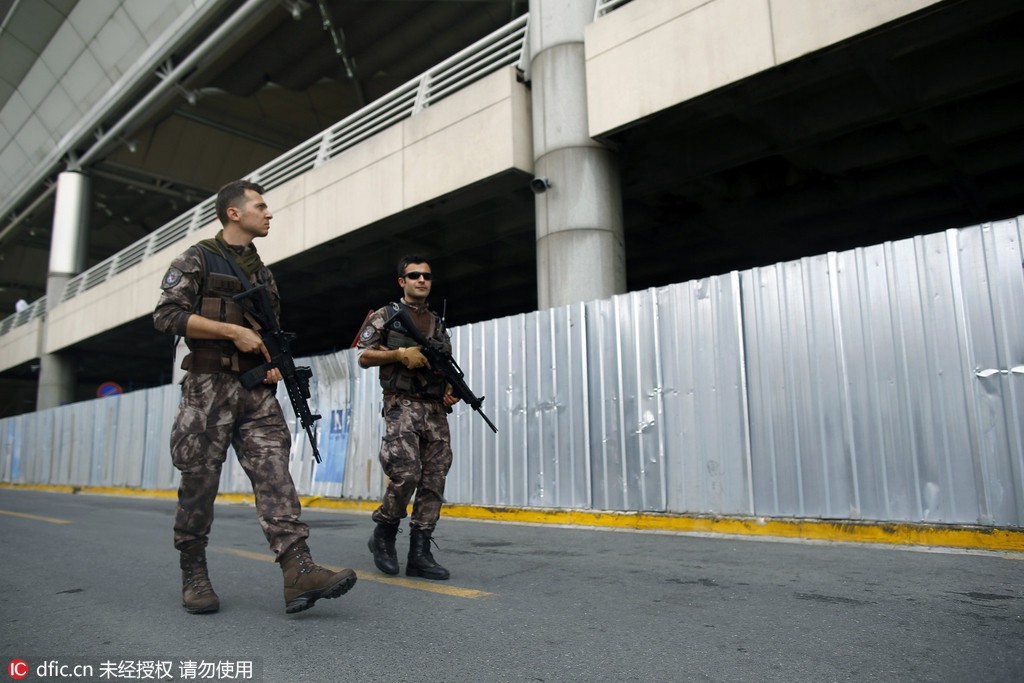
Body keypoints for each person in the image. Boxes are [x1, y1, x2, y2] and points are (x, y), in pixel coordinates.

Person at [153, 179, 356, 614]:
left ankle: (297, 570)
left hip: (255, 389)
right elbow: (166, 315)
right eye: (260, 207)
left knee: (275, 474)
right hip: (208, 387)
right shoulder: (197, 258)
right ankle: (194, 570)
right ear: (233, 213)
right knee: (199, 482)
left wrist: (273, 360)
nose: (268, 214)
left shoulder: (262, 274)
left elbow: (267, 334)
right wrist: (232, 331)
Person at [356, 255, 460, 580]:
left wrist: (450, 390)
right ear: (402, 281)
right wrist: (398, 354)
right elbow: (364, 355)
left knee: (434, 480)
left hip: (434, 409)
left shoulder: (437, 323)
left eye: (426, 276)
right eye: (414, 275)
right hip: (401, 405)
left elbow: (445, 364)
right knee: (406, 475)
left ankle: (420, 553)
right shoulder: (386, 315)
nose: (421, 280)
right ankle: (383, 534)